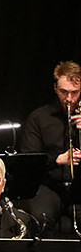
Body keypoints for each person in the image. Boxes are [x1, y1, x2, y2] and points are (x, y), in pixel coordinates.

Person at [19, 61, 81, 234]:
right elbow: (28, 160)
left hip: (79, 184)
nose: (69, 99)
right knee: (40, 218)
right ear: (55, 88)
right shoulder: (39, 118)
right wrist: (58, 159)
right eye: (64, 92)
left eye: (75, 92)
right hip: (49, 185)